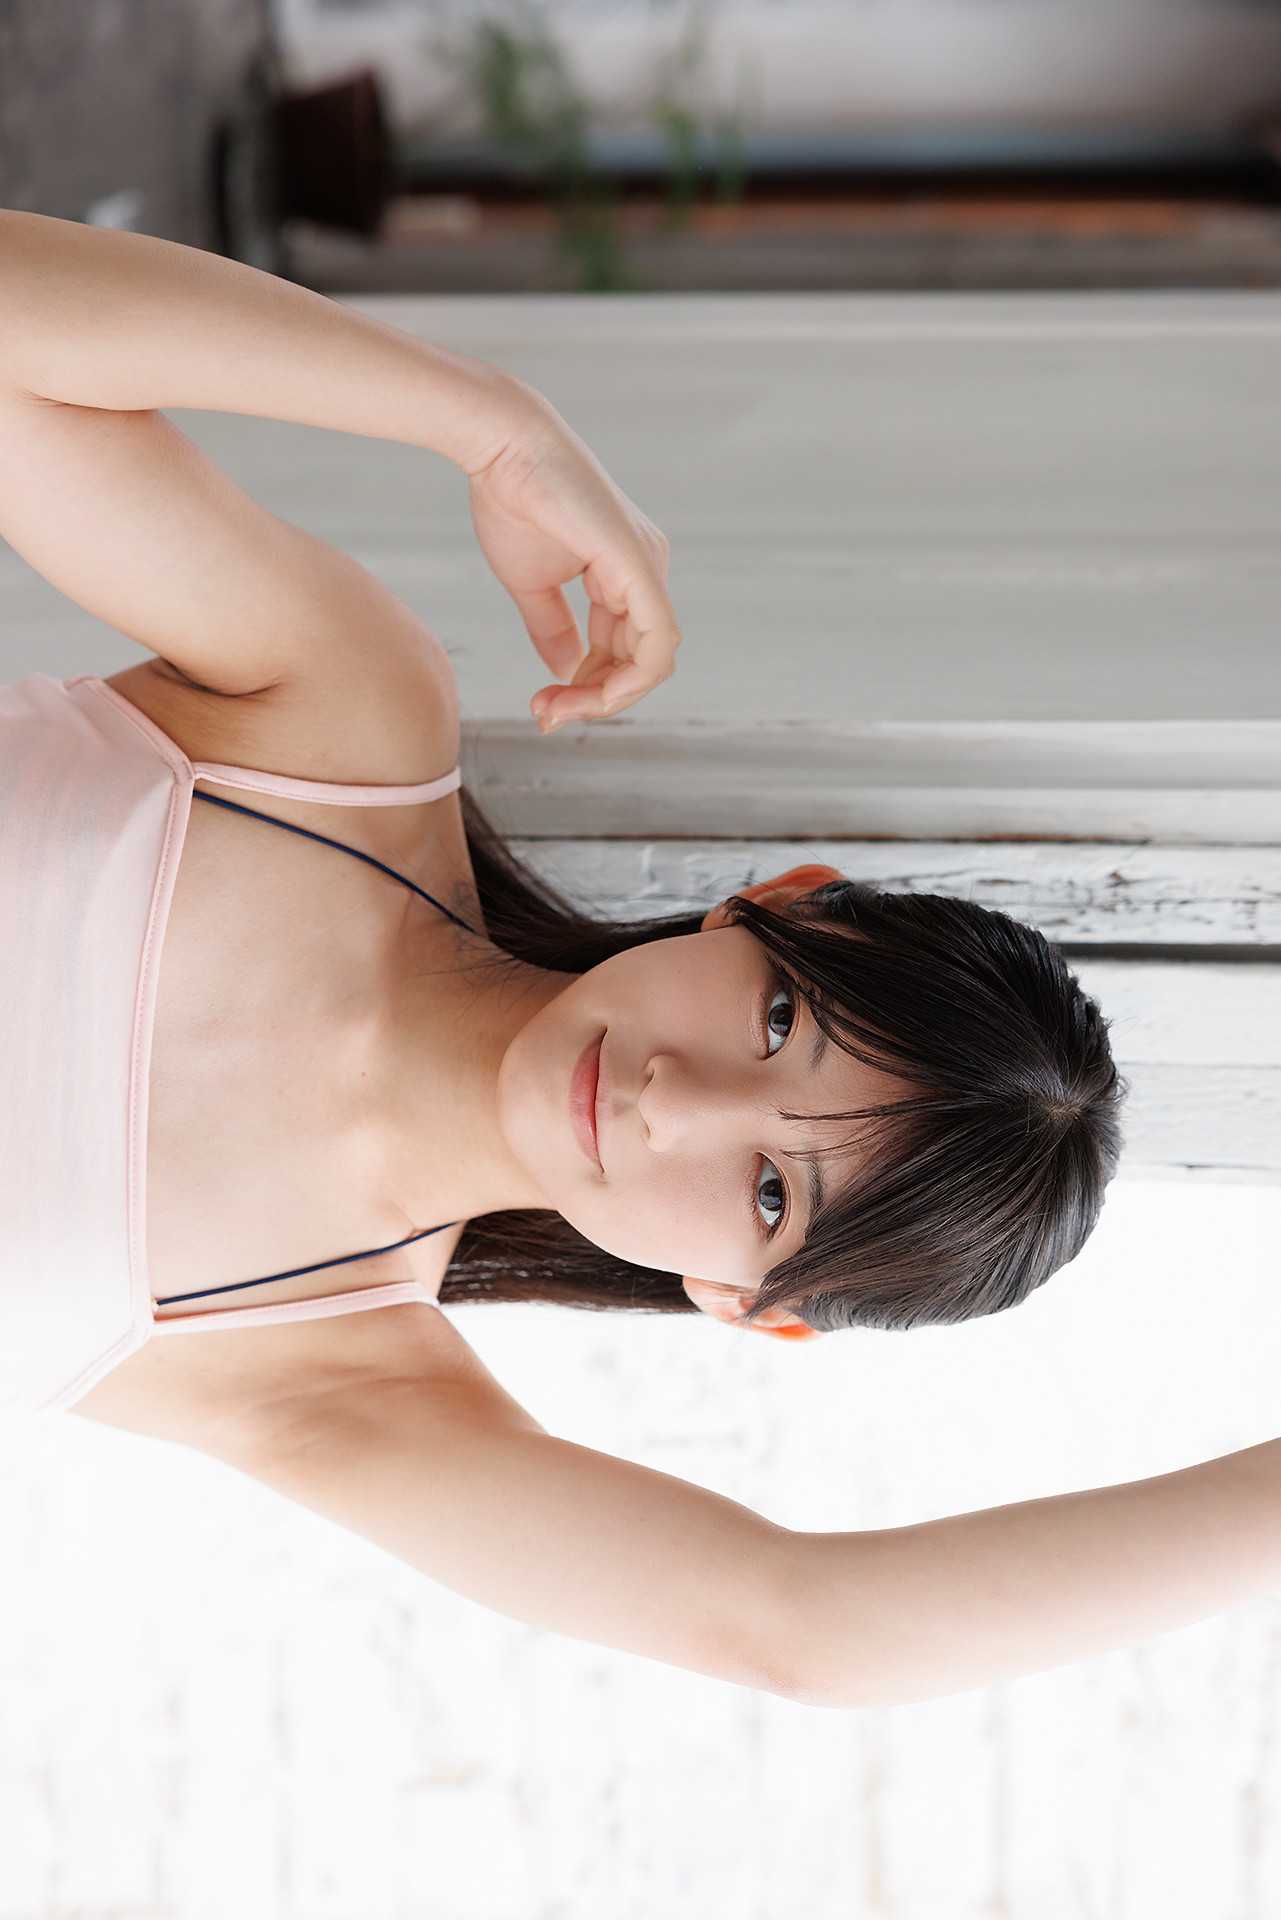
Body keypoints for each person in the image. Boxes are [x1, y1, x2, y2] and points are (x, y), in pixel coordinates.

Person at [2, 207, 1278, 1709]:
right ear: (785, 905)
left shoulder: (324, 1375)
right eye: (781, 1022)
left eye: (769, 1192)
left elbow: (808, 1626)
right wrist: (487, 424)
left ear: (748, 1300)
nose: (674, 1102)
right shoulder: (338, 738)